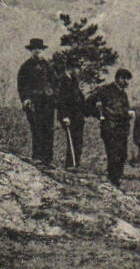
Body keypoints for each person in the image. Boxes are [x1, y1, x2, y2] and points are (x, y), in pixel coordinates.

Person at [89, 68, 134, 186]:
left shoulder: (123, 93)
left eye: (128, 80)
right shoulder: (106, 90)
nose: (127, 82)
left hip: (122, 130)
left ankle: (117, 180)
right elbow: (89, 102)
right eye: (125, 79)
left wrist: (128, 114)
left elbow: (122, 110)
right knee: (114, 156)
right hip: (110, 129)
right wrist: (99, 115)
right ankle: (113, 181)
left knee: (122, 155)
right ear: (118, 78)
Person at [16, 38, 57, 166]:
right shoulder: (26, 67)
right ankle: (37, 157)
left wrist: (53, 94)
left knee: (48, 129)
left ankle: (48, 159)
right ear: (31, 51)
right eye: (34, 49)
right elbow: (22, 85)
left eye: (39, 49)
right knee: (37, 128)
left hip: (47, 103)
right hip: (34, 102)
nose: (37, 51)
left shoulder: (48, 66)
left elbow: (55, 82)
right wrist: (26, 99)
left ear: (42, 50)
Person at [53, 56, 88, 172]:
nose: (78, 71)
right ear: (70, 68)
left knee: (78, 141)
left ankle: (75, 164)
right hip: (69, 117)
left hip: (77, 116)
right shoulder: (62, 81)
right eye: (77, 68)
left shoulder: (74, 81)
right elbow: (60, 100)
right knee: (72, 141)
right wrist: (64, 116)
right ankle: (70, 165)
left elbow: (79, 99)